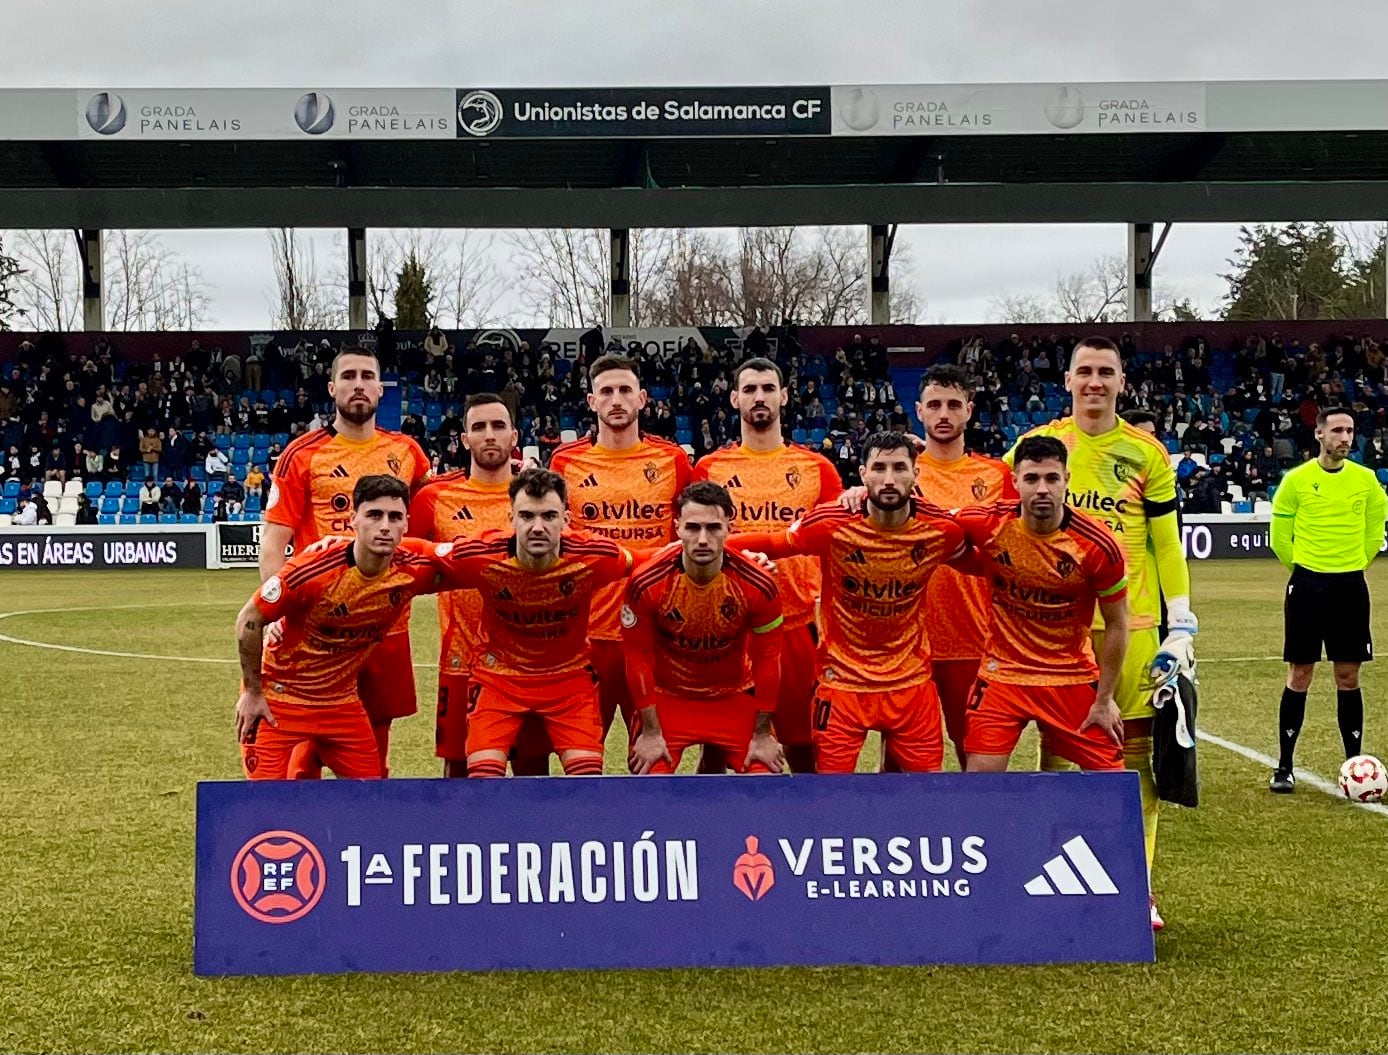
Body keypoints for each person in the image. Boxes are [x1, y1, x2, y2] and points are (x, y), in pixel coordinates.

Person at [1007, 335, 1197, 932]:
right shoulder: (1038, 447)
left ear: (1121, 382)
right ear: (1067, 380)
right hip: (1052, 629)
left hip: (1131, 626)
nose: (1094, 381)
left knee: (1133, 758)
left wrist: (1182, 619)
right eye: (1084, 371)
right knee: (1056, 752)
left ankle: (1136, 884)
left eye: (1105, 372)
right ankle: (1051, 874)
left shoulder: (1146, 454)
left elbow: (1166, 541)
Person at [727, 432, 967, 773]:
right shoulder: (831, 524)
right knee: (831, 797)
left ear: (916, 473)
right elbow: (772, 541)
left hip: (911, 685)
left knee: (922, 796)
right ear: (862, 474)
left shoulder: (942, 529)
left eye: (899, 468)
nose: (888, 479)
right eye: (879, 468)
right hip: (842, 684)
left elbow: (980, 559)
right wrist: (698, 549)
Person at [259, 346, 431, 778]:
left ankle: (363, 833)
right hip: (321, 624)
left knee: (375, 743)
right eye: (349, 376)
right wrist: (275, 607)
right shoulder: (302, 455)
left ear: (379, 388)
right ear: (332, 388)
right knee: (306, 748)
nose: (359, 384)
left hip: (386, 620)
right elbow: (276, 537)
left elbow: (435, 512)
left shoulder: (407, 451)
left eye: (367, 376)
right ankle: (308, 831)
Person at [232, 475, 448, 781]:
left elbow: (468, 558)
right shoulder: (311, 570)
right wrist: (253, 692)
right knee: (265, 803)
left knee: (370, 797)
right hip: (281, 700)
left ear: (406, 523)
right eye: (374, 515)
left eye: (394, 517)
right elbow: (248, 622)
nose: (385, 525)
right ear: (353, 520)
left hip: (341, 704)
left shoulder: (413, 566)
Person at [432, 469, 636, 779]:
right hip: (498, 677)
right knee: (483, 778)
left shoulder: (594, 556)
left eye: (549, 516)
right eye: (527, 516)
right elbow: (417, 556)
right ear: (510, 518)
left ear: (566, 519)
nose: (537, 527)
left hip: (568, 680)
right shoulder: (481, 554)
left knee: (588, 780)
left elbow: (656, 559)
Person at [689, 357, 841, 773]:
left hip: (794, 625)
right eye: (751, 389)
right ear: (735, 397)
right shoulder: (709, 468)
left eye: (768, 389)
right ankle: (713, 834)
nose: (760, 397)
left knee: (803, 745)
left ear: (784, 396)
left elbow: (834, 545)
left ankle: (808, 830)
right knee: (719, 748)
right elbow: (691, 544)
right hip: (727, 627)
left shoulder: (817, 469)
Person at [955, 436, 1129, 773]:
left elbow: (1118, 624)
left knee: (1112, 781)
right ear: (1015, 481)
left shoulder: (1098, 547)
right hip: (1003, 673)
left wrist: (1105, 701)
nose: (1042, 489)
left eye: (1052, 478)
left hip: (1070, 674)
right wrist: (858, 497)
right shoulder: (988, 523)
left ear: (1067, 480)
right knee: (979, 780)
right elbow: (930, 522)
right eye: (1032, 479)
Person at [548, 354, 692, 745]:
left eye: (625, 390)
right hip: (586, 633)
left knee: (653, 753)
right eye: (606, 391)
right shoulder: (566, 461)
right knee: (582, 753)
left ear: (642, 399)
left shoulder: (672, 460)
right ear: (591, 402)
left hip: (653, 631)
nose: (616, 400)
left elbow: (692, 533)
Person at [624, 481, 786, 776]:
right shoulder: (646, 582)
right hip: (668, 697)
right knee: (648, 778)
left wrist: (762, 735)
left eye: (713, 528)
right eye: (693, 527)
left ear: (729, 527)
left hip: (732, 695)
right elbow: (637, 657)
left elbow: (769, 659)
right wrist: (649, 731)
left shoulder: (759, 584)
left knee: (766, 777)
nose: (702, 539)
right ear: (677, 528)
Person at [1268, 406, 1387, 793]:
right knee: (1300, 674)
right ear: (1319, 435)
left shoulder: (1367, 481)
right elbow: (1279, 538)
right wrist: (1306, 568)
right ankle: (1284, 766)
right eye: (1337, 430)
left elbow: (1374, 533)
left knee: (1348, 677)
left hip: (1350, 587)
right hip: (1306, 586)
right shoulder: (1296, 480)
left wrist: (1351, 564)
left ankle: (1354, 763)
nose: (1345, 437)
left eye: (1350, 430)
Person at [906, 364, 1018, 769]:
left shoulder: (996, 475)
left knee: (972, 753)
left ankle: (974, 832)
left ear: (969, 410)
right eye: (934, 404)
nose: (944, 414)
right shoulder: (900, 472)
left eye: (954, 404)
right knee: (900, 761)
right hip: (906, 639)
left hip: (974, 636)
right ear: (919, 410)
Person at [408, 393, 520, 778]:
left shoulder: (537, 497)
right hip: (461, 659)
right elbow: (399, 555)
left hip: (528, 661)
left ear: (514, 436)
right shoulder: (435, 497)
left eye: (498, 426)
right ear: (464, 439)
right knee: (458, 769)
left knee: (530, 770)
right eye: (479, 427)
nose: (489, 435)